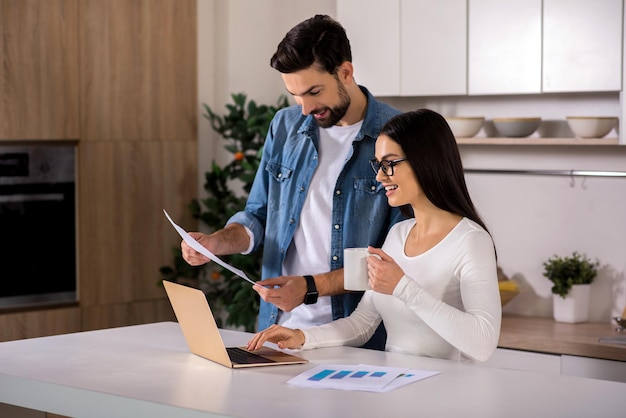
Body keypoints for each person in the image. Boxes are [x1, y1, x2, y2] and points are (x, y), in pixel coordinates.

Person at [181, 14, 404, 350]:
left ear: (346, 72)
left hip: (356, 339)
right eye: (295, 95)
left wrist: (311, 287)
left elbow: (397, 259)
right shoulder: (284, 127)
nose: (305, 108)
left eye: (314, 91)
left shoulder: (397, 135)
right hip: (276, 332)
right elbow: (257, 216)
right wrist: (216, 243)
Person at [246, 109, 502, 362]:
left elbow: (483, 343)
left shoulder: (470, 240)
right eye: (378, 164)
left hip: (446, 393)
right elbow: (362, 323)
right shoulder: (399, 234)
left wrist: (402, 286)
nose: (379, 176)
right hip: (395, 388)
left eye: (388, 163)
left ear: (425, 160)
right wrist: (302, 336)